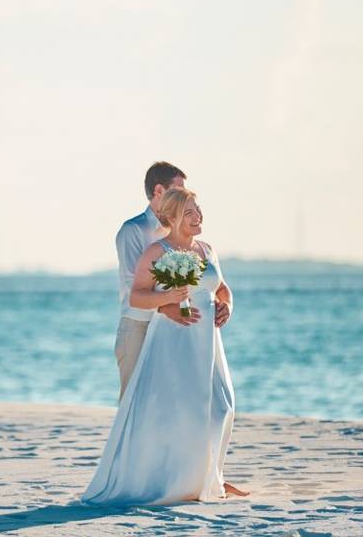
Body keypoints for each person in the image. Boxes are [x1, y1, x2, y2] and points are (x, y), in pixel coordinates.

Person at [83, 187, 247, 505]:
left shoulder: (207, 249)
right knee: (178, 411)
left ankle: (208, 477)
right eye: (189, 212)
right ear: (170, 217)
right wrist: (166, 300)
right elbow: (137, 296)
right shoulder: (157, 251)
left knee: (221, 405)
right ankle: (178, 483)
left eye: (198, 210)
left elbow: (223, 288)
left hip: (208, 342)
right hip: (173, 340)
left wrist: (227, 306)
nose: (197, 216)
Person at [115, 162, 205, 400]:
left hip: (170, 327)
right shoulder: (133, 230)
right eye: (177, 190)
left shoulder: (178, 231)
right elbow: (133, 287)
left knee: (165, 401)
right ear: (158, 191)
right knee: (133, 401)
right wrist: (168, 307)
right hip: (138, 326)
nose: (183, 196)